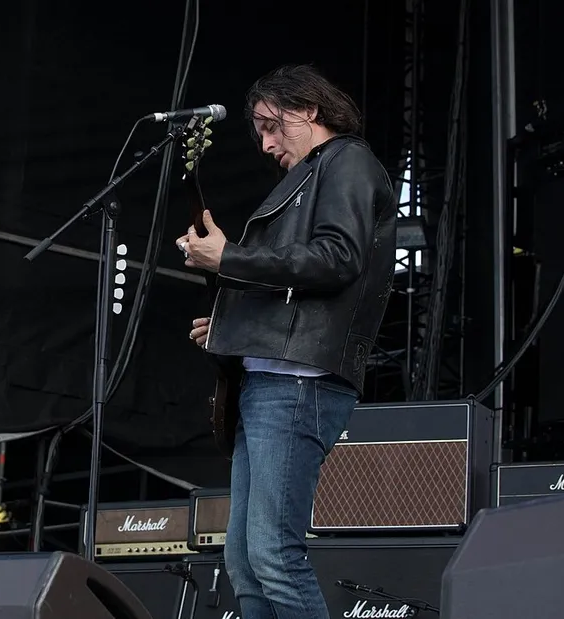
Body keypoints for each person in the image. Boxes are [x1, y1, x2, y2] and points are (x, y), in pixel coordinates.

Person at [175, 64, 396, 619]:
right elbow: (295, 285)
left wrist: (228, 258)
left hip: (298, 384)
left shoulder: (348, 162)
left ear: (308, 109)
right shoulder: (313, 174)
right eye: (260, 133)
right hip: (271, 379)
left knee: (273, 553)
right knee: (245, 560)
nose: (268, 143)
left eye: (272, 125)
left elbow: (336, 260)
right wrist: (230, 325)